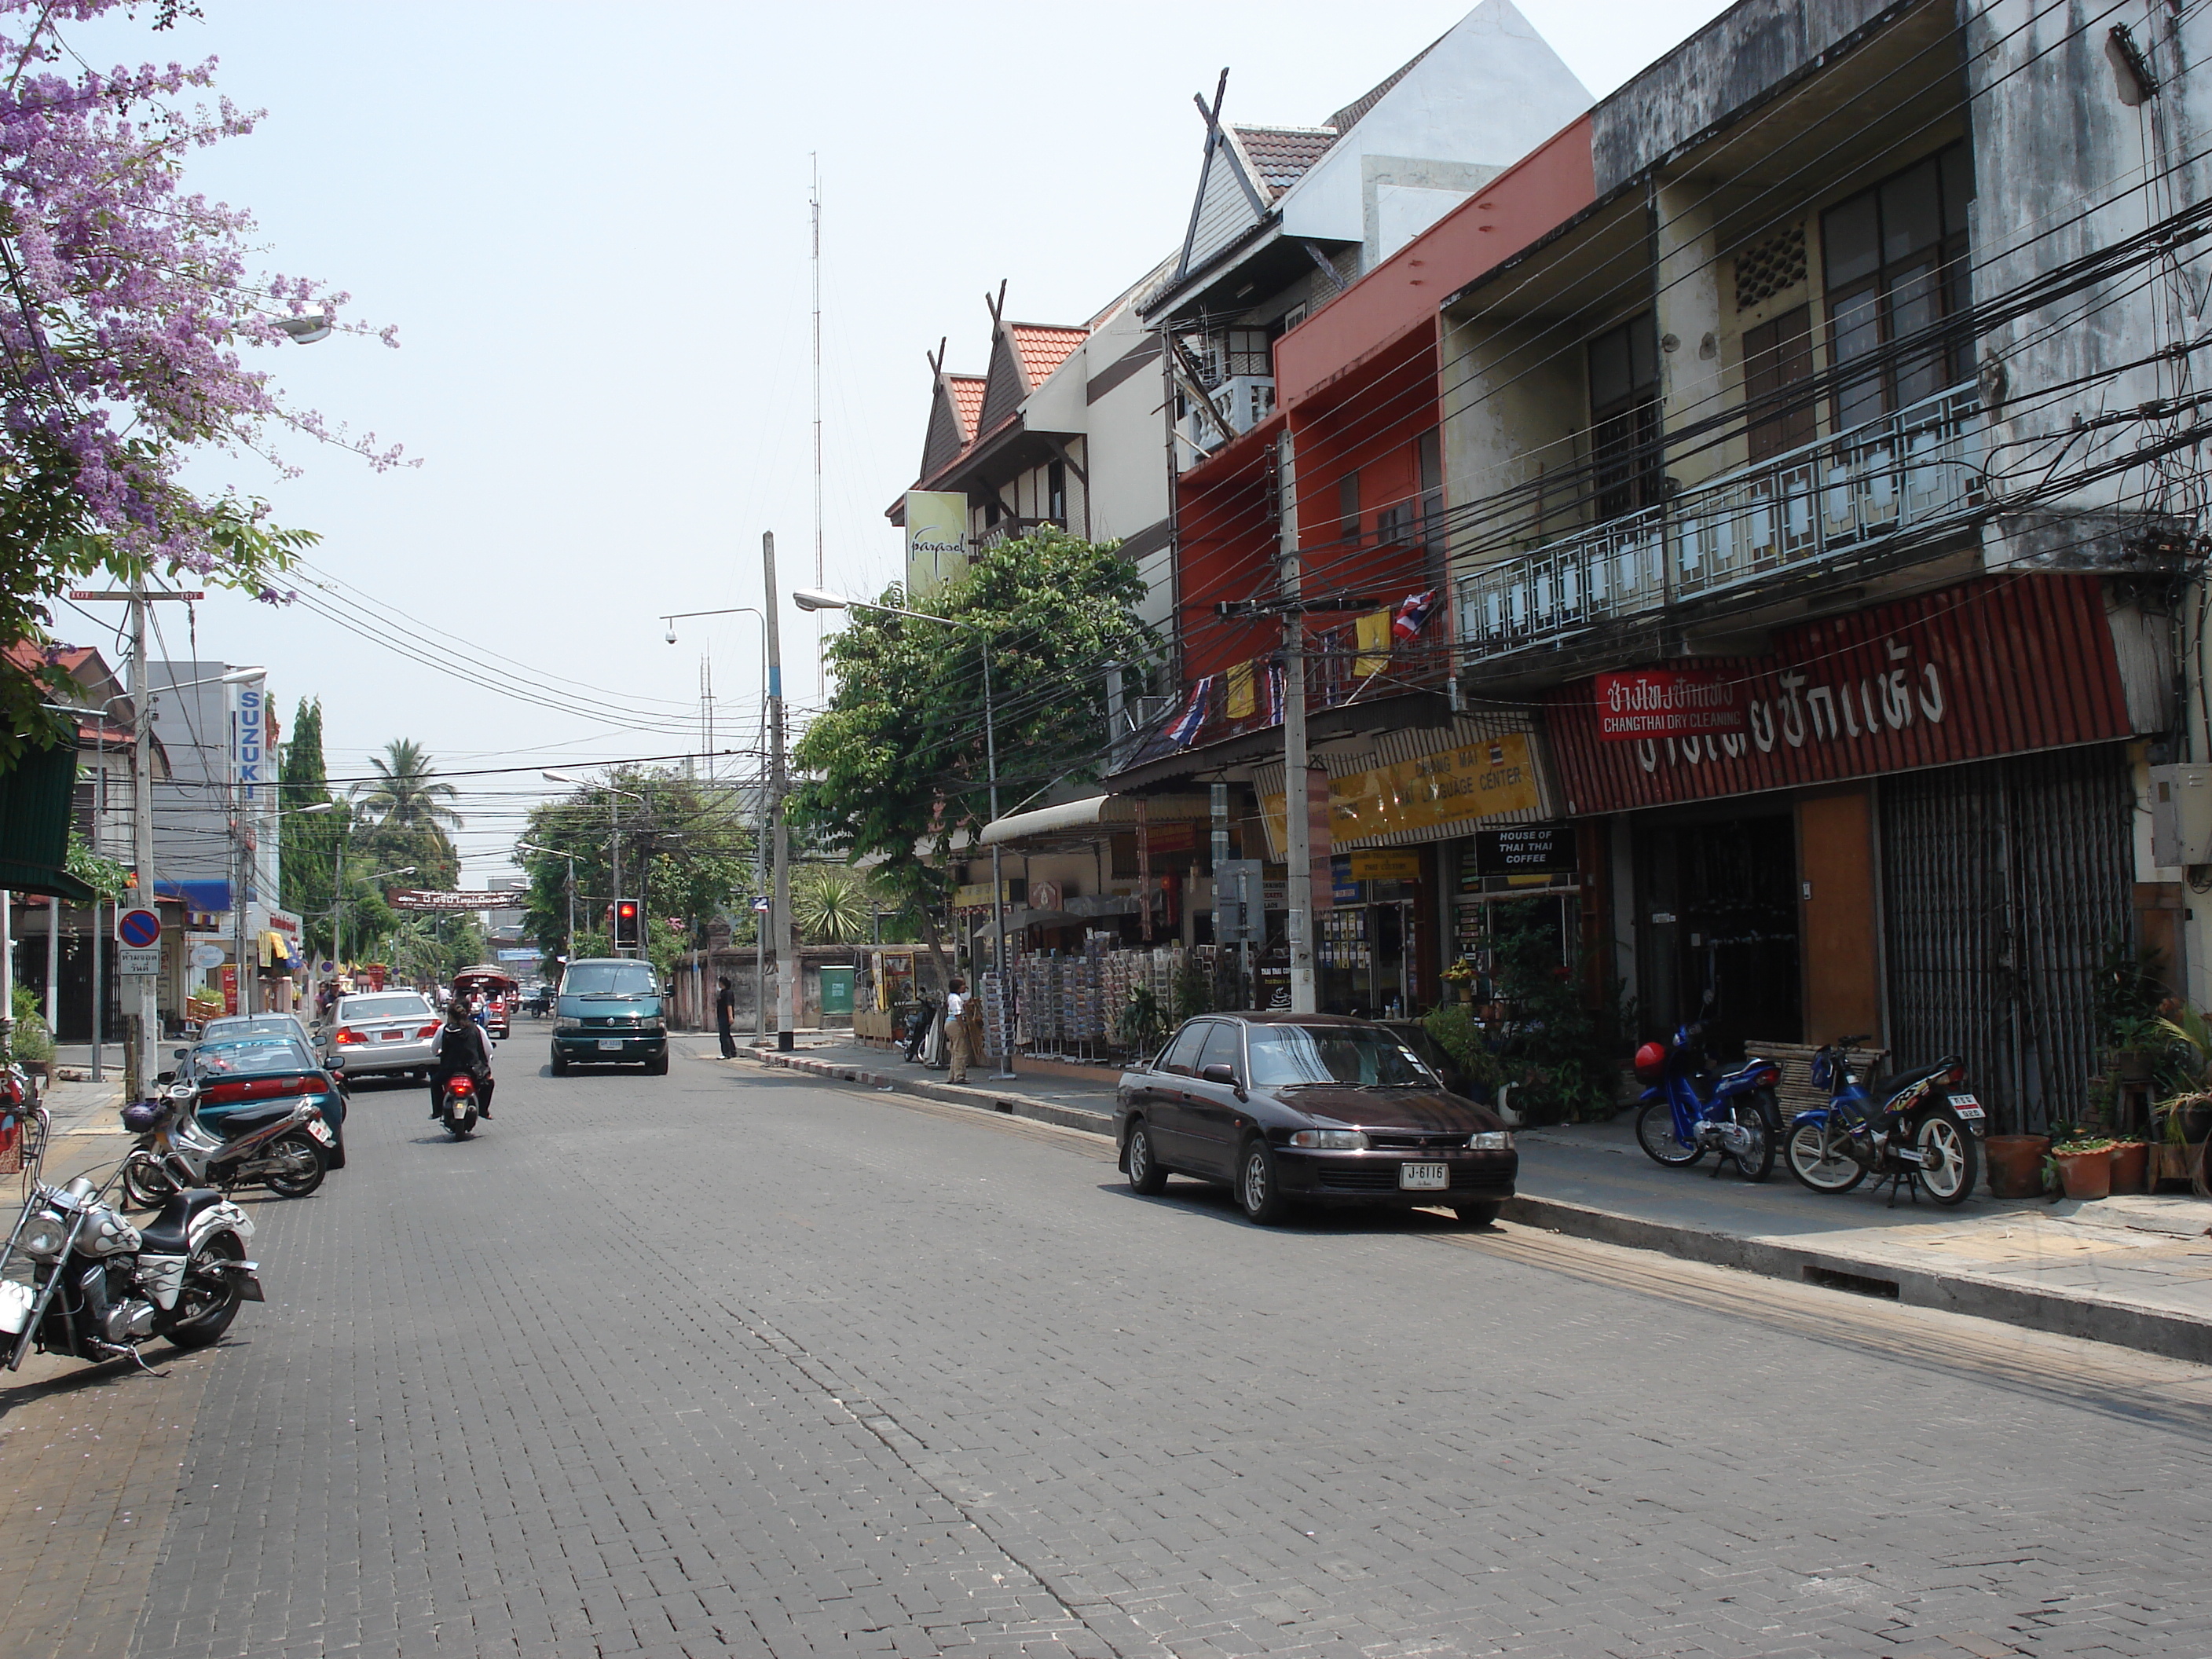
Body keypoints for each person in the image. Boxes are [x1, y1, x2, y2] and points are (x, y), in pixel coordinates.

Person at [429, 998, 494, 1120]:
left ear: (450, 1016)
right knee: (489, 1083)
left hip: (448, 1070)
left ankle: (437, 1111)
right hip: (473, 1071)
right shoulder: (477, 1029)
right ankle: (483, 1110)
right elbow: (488, 1050)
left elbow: (434, 1050)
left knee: (435, 1082)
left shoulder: (443, 1030)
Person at [943, 976, 979, 1084]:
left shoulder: (953, 997)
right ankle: (959, 1076)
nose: (965, 987)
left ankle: (952, 1075)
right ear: (958, 988)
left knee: (955, 1051)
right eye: (963, 985)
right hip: (955, 1024)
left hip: (950, 1024)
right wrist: (963, 1027)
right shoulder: (956, 999)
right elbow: (958, 1015)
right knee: (961, 1051)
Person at [715, 977, 738, 1059]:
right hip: (721, 1016)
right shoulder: (723, 992)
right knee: (726, 1034)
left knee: (724, 1036)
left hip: (725, 1016)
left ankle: (726, 1053)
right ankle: (733, 1052)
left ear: (722, 983)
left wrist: (730, 1017)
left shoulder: (728, 993)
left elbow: (729, 1005)